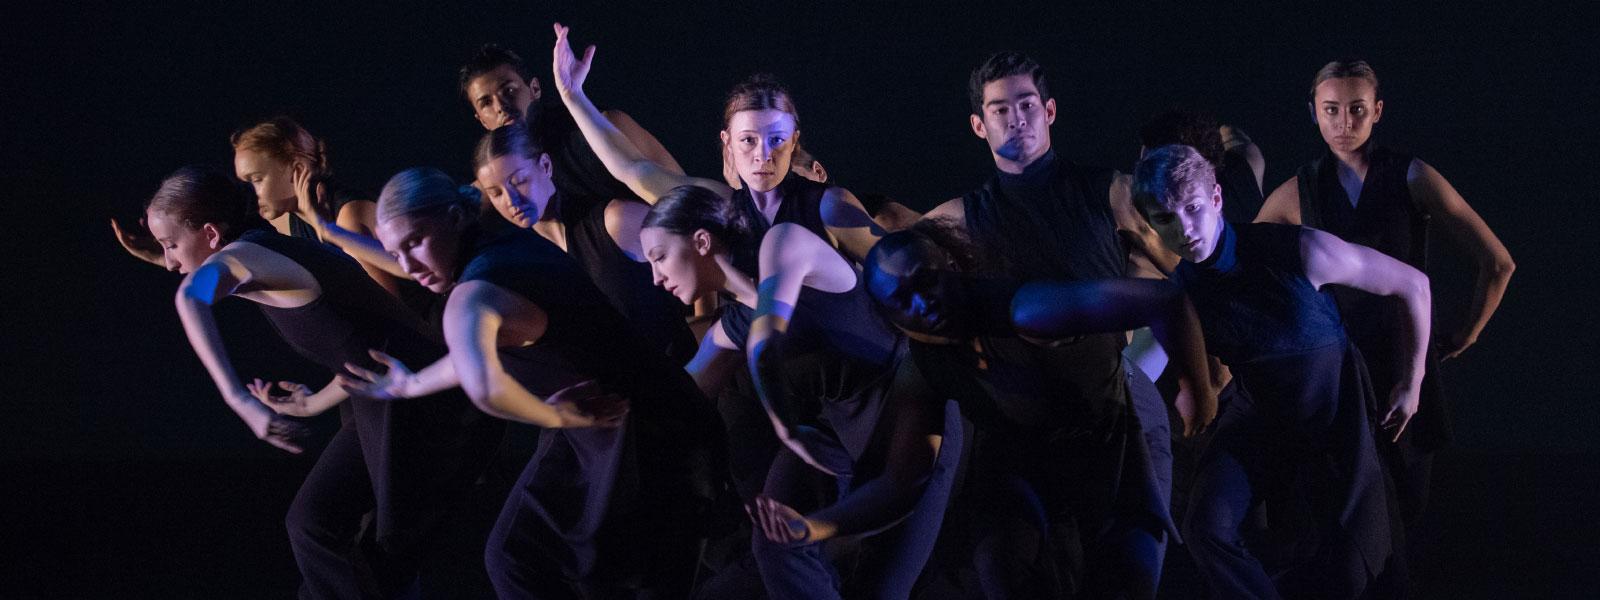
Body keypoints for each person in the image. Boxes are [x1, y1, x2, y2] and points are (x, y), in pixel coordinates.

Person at [913, 51, 1213, 596]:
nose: (1016, 118)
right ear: (979, 125)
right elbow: (891, 266)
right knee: (1006, 571)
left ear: (1049, 111)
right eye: (1000, 109)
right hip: (1017, 429)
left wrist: (1206, 374)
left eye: (1027, 104)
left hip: (1111, 408)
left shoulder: (1110, 192)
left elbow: (1188, 270)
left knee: (1128, 575)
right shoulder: (958, 218)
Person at [352, 167, 721, 598]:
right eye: (394, 253)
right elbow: (476, 357)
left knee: (538, 561)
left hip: (644, 435)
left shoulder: (473, 294)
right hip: (631, 421)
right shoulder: (506, 249)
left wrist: (554, 415)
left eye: (415, 242)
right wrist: (410, 384)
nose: (407, 266)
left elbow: (485, 385)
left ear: (453, 217)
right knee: (521, 557)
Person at [147, 166, 501, 598]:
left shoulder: (244, 256)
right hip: (382, 393)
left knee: (379, 550)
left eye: (170, 245)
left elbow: (190, 297)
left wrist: (241, 401)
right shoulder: (260, 256)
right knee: (315, 524)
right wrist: (312, 403)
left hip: (422, 401)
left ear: (210, 233)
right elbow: (363, 350)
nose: (169, 262)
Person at [1254, 60, 1515, 584]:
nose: (1343, 122)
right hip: (1336, 378)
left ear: (1377, 111)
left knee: (1404, 513)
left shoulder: (1411, 176)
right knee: (1347, 525)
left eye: (1356, 109)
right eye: (1331, 110)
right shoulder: (1301, 189)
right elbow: (1246, 268)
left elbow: (1498, 263)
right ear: (1314, 113)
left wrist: (1468, 333)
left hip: (1403, 368)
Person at [1135, 144, 1432, 598]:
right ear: (1151, 225)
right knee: (1206, 527)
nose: (1184, 230)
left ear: (1216, 198)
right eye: (1166, 219)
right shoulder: (1179, 296)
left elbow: (1413, 285)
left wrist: (1412, 383)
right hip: (1262, 419)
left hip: (1334, 415)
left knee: (1353, 572)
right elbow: (1135, 371)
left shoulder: (1298, 250)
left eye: (1192, 209)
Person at [640, 184, 959, 599]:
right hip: (833, 433)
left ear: (701, 241)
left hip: (910, 415)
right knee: (776, 542)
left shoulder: (788, 243)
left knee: (881, 588)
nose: (655, 277)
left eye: (659, 257)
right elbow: (675, 397)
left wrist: (785, 427)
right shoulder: (732, 326)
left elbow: (765, 343)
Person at [863, 220, 1209, 599]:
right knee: (1003, 560)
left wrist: (1198, 390)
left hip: (1116, 424)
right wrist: (820, 526)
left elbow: (1164, 299)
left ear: (950, 264)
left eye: (927, 281)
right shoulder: (924, 364)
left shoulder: (1026, 310)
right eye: (901, 300)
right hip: (1036, 447)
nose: (922, 303)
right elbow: (903, 479)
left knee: (1125, 567)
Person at [550, 23, 883, 264]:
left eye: (777, 140)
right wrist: (574, 97)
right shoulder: (723, 207)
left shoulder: (829, 206)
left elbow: (897, 279)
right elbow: (632, 168)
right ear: (728, 144)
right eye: (748, 140)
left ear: (794, 141)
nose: (762, 154)